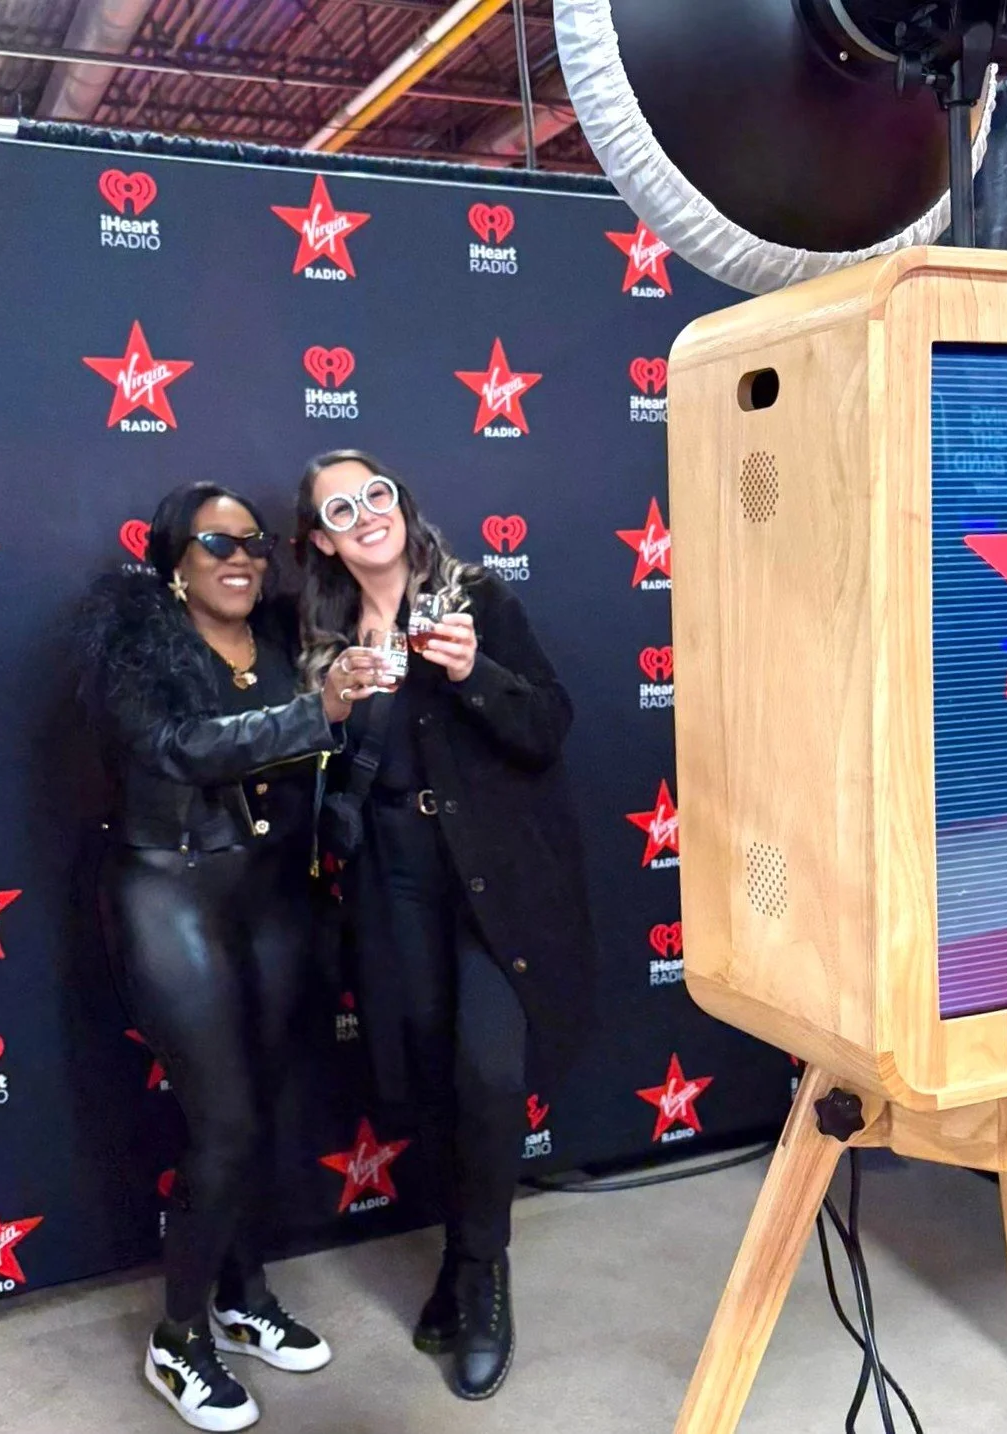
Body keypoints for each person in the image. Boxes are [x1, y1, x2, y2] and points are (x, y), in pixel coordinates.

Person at [76, 482, 385, 1432]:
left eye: (254, 543)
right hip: (172, 893)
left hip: (273, 894)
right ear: (175, 562)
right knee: (225, 1122)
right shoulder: (136, 646)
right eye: (216, 544)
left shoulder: (288, 641)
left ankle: (240, 1295)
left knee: (262, 1111)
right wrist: (315, 715)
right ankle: (179, 1338)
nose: (241, 558)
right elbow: (178, 747)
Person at [294, 449, 597, 1402]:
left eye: (374, 494)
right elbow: (308, 775)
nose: (365, 513)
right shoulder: (320, 637)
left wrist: (473, 675)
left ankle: (482, 1277)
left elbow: (550, 724)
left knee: (488, 1072)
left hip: (488, 884)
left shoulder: (478, 601)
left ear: (400, 503)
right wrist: (332, 705)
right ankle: (461, 1255)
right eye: (340, 508)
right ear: (323, 540)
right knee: (420, 1074)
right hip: (390, 885)